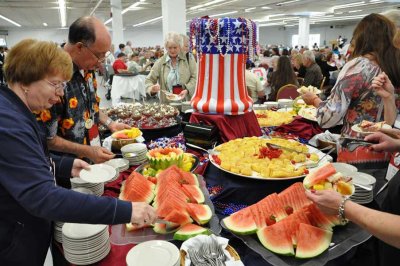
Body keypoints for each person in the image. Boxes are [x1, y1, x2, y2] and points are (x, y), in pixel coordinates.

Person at [0, 39, 156, 266]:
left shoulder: (15, 110)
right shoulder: (8, 124)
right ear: (26, 80)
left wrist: (63, 165)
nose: (59, 96)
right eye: (55, 85)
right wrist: (124, 210)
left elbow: (22, 161)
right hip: (12, 242)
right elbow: (43, 197)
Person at [37, 16, 131, 164]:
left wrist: (110, 123)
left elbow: (91, 107)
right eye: (99, 55)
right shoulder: (52, 76)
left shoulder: (87, 66)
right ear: (80, 47)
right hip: (69, 169)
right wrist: (86, 151)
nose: (101, 62)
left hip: (93, 157)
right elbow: (47, 139)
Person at [302, 14, 400, 136]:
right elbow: (393, 121)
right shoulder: (395, 66)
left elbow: (329, 117)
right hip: (388, 146)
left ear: (361, 38)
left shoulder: (357, 67)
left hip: (355, 145)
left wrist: (314, 100)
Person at [145, 32, 197, 103]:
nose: (172, 50)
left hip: (186, 103)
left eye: (175, 47)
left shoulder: (189, 58)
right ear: (166, 47)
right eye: (170, 48)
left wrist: (187, 90)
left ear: (180, 46)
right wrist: (151, 88)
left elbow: (195, 77)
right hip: (168, 105)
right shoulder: (160, 62)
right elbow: (149, 80)